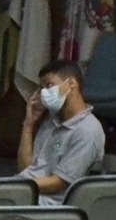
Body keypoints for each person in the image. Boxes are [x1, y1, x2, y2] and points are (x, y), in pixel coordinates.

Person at [19, 60, 105, 204]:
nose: (44, 93)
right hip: (28, 192)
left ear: (71, 83)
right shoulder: (51, 121)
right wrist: (28, 125)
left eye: (49, 85)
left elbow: (58, 183)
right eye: (41, 88)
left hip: (49, 203)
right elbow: (26, 169)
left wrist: (14, 187)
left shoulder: (88, 130)